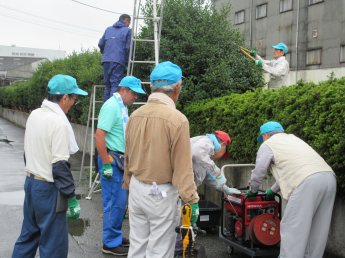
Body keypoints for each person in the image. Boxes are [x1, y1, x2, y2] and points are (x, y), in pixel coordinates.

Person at [123, 61, 200, 258]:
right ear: (176, 88)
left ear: (152, 87)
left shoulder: (135, 115)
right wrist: (191, 199)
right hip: (161, 194)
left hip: (137, 188)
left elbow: (128, 156)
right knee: (159, 251)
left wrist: (127, 184)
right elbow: (183, 167)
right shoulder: (177, 119)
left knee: (137, 247)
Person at [12, 74, 88, 258]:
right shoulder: (58, 123)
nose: (73, 103)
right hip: (48, 189)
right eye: (74, 99)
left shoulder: (35, 114)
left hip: (31, 183)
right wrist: (70, 198)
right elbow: (60, 166)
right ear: (64, 98)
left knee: (28, 237)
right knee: (54, 246)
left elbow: (27, 152)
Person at [247, 121, 336, 258]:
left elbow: (259, 172)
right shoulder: (294, 139)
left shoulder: (268, 145)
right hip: (329, 178)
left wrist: (253, 190)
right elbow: (293, 170)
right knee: (318, 230)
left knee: (292, 229)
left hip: (306, 182)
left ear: (265, 135)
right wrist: (273, 189)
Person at [95, 75, 146, 256]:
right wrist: (106, 163)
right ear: (123, 90)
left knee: (119, 202)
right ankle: (109, 243)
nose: (136, 97)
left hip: (118, 159)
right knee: (114, 202)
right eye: (134, 93)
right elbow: (100, 134)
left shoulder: (120, 106)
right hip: (111, 159)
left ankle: (114, 235)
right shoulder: (111, 106)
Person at [98, 14, 132, 101]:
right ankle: (112, 108)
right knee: (115, 84)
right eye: (129, 22)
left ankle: (105, 108)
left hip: (106, 60)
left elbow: (101, 44)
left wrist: (105, 53)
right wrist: (127, 61)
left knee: (107, 85)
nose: (129, 24)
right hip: (118, 60)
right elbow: (128, 48)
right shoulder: (127, 31)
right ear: (126, 20)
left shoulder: (108, 29)